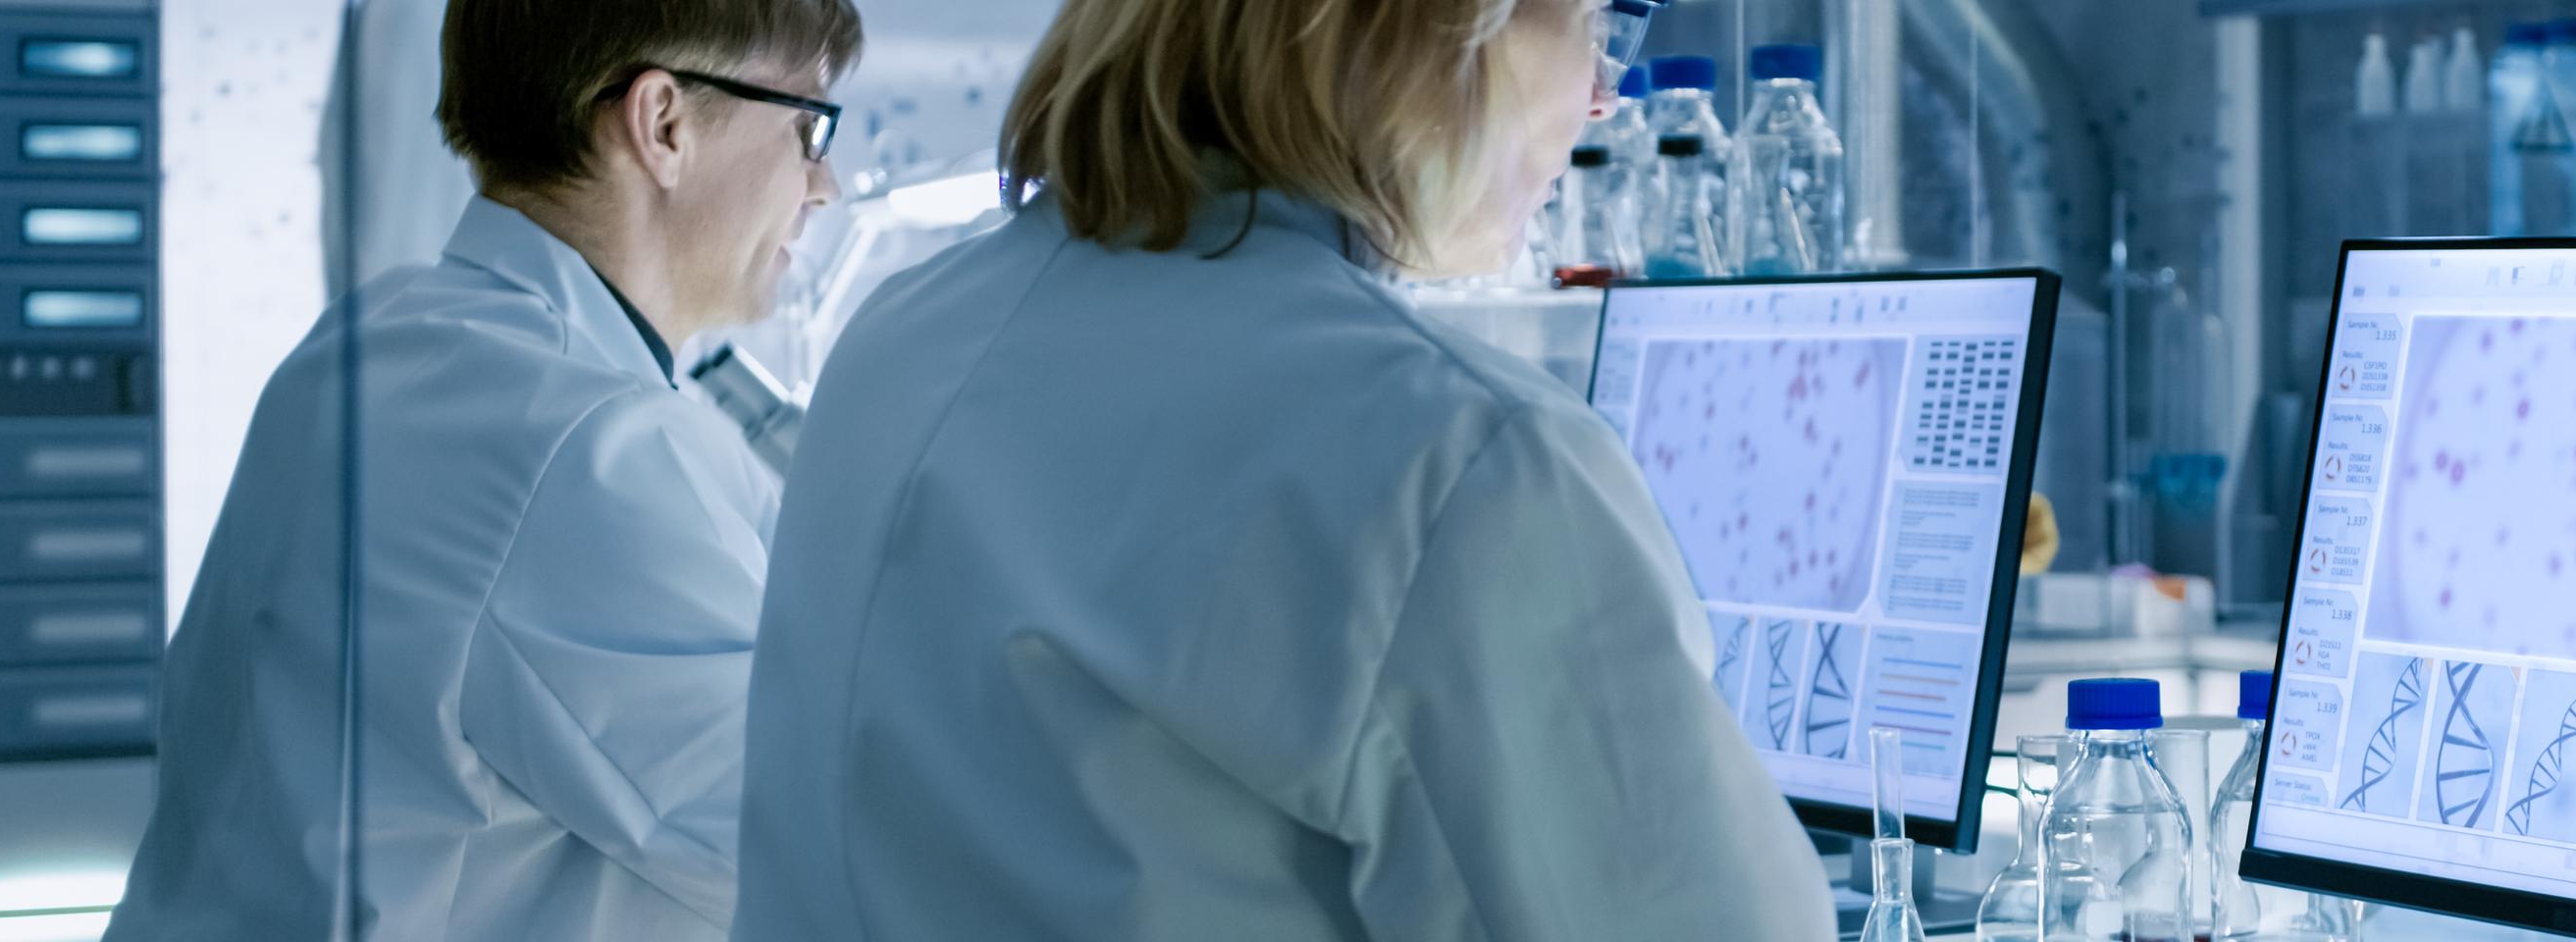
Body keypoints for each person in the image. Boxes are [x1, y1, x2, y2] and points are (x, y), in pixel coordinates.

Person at [731, 0, 1831, 938]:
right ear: (1445, 26)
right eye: (1599, 24)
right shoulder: (1458, 461)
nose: (1604, 96)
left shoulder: (899, 341)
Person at [108, 1, 861, 938]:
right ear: (662, 124)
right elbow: (825, 848)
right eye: (807, 128)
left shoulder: (376, 337)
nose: (824, 185)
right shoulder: (580, 443)